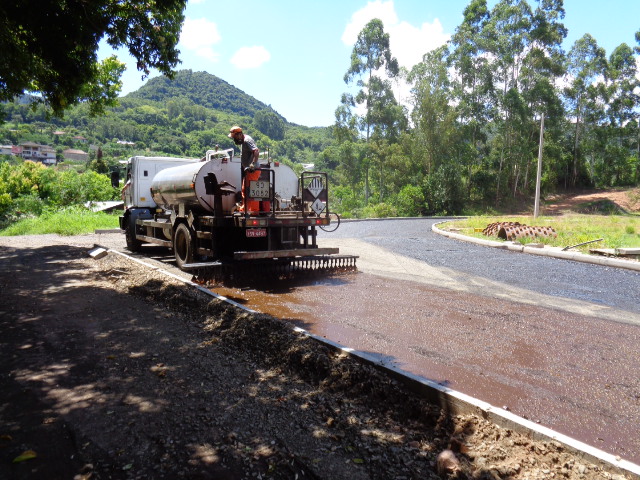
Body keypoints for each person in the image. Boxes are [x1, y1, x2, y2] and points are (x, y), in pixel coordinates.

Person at [228, 126, 269, 213]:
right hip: (249, 171)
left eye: (234, 137)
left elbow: (256, 151)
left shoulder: (247, 141)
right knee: (245, 189)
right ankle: (245, 209)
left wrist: (252, 164)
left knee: (251, 190)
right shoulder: (244, 141)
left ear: (239, 135)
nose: (234, 140)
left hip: (253, 170)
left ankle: (253, 211)